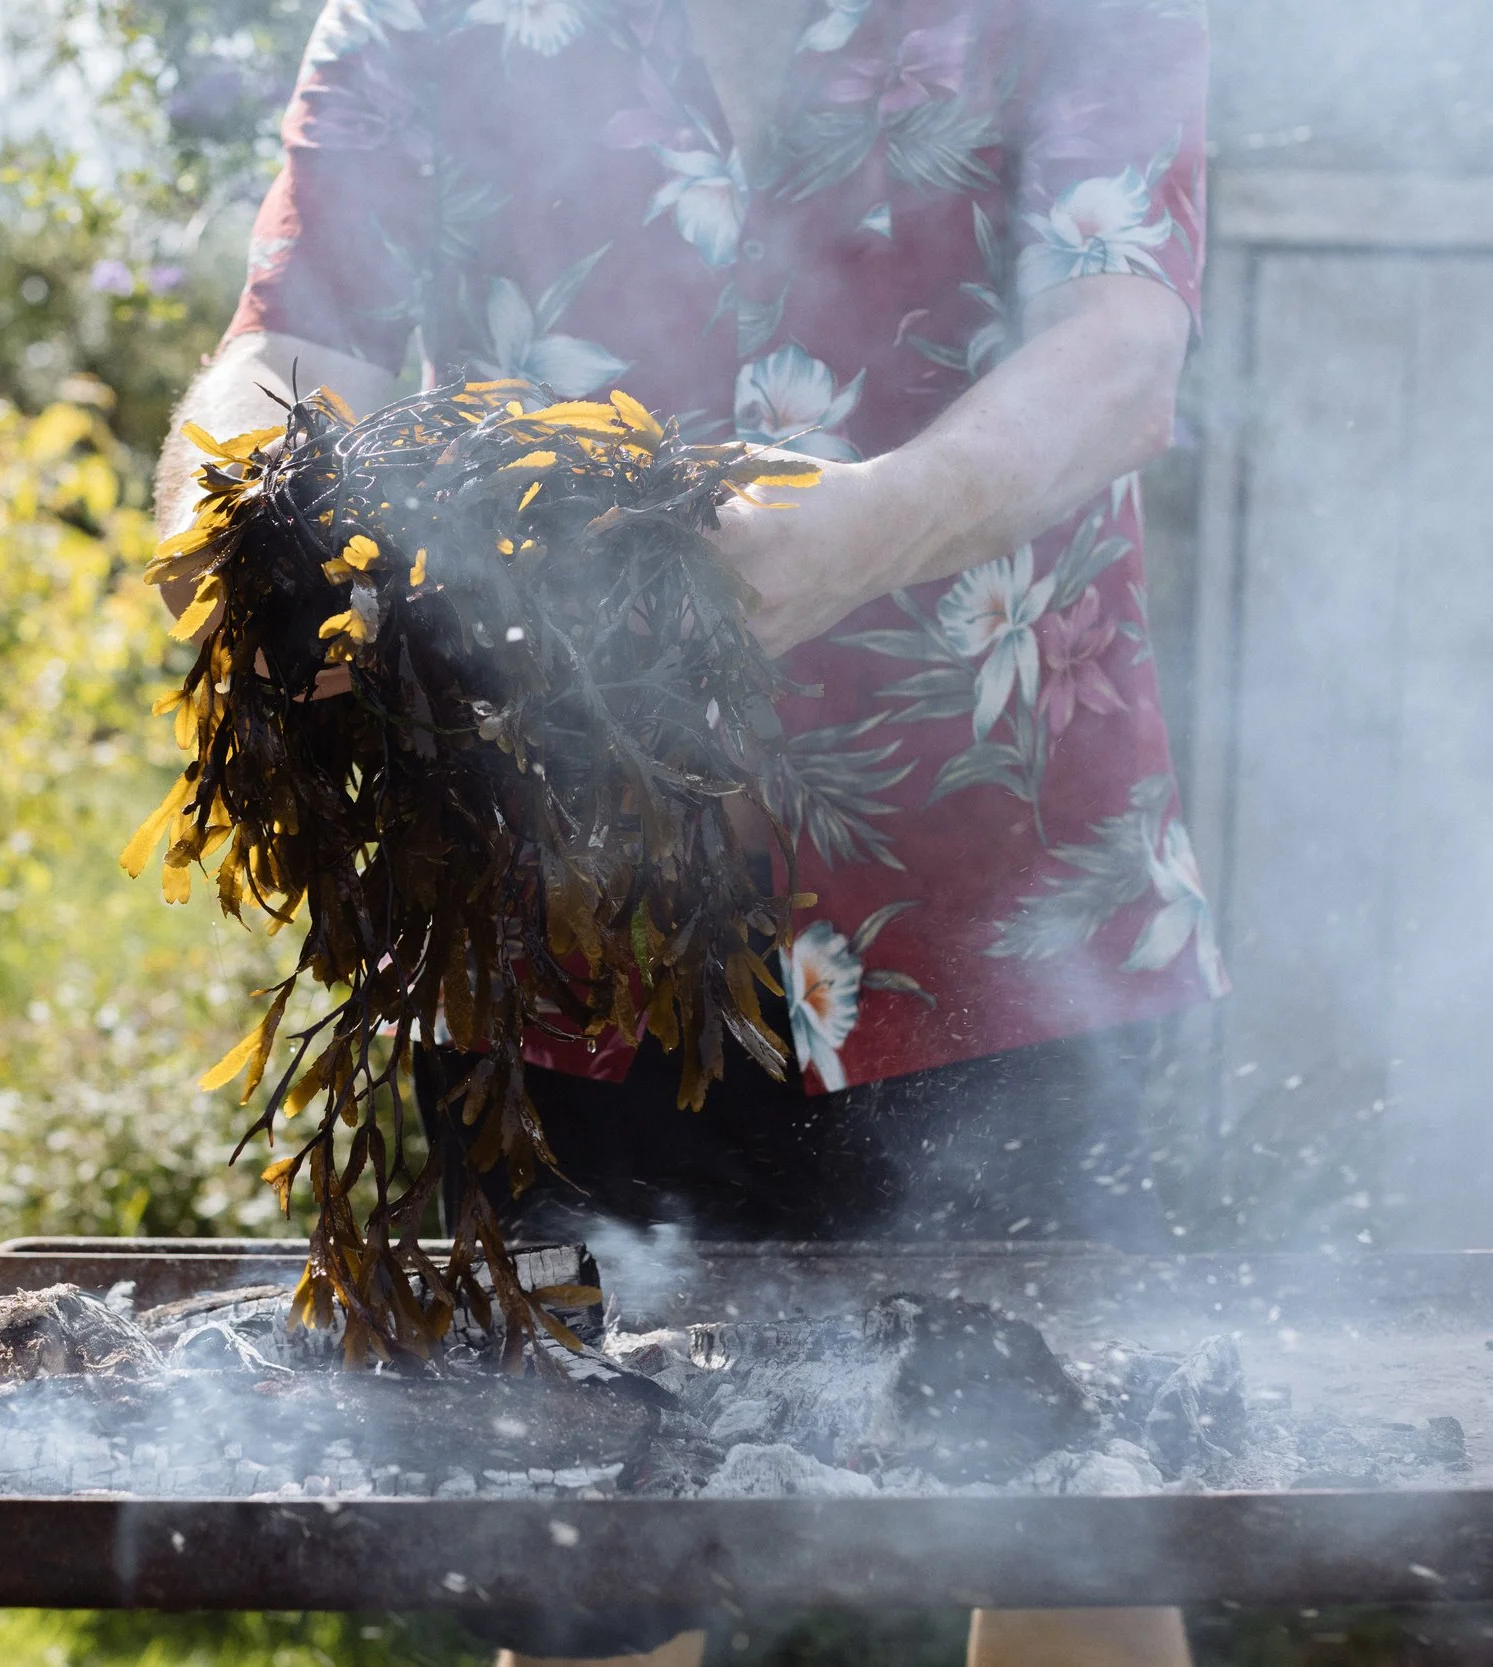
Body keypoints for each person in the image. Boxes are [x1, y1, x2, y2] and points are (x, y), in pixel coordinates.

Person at [154, 2, 1221, 1663]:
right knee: (596, 1561)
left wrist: (867, 530)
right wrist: (248, 525)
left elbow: (1118, 354)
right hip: (571, 934)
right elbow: (293, 352)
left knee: (1074, 1513)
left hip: (1008, 893)